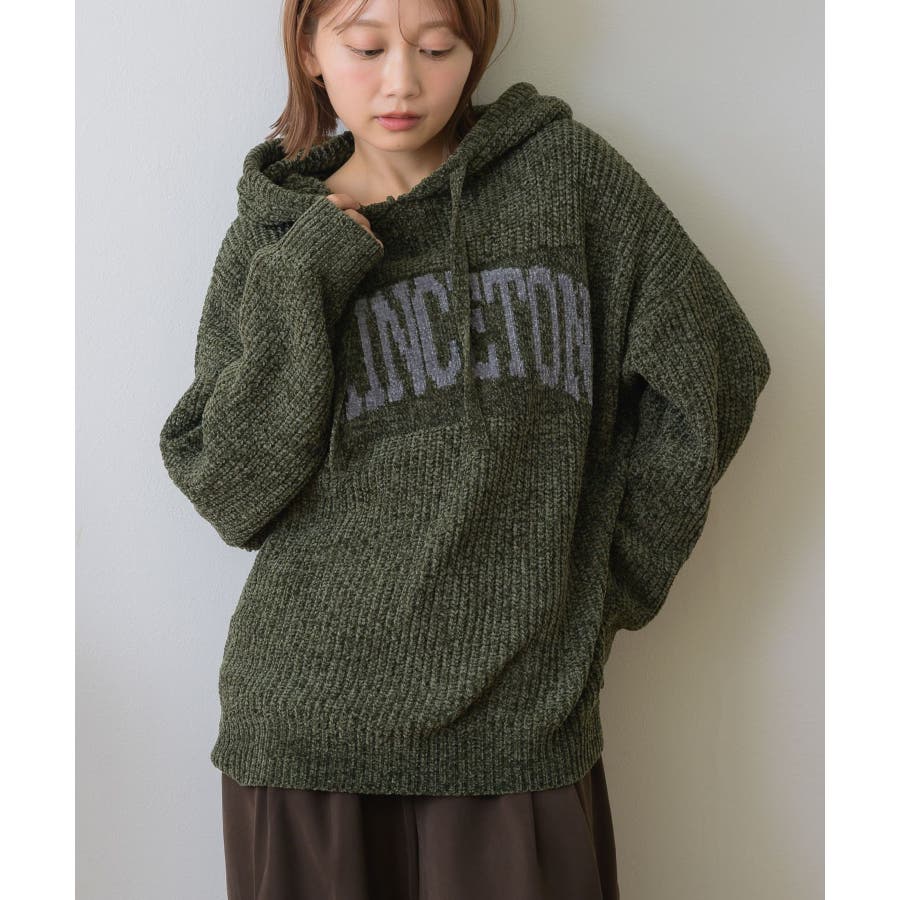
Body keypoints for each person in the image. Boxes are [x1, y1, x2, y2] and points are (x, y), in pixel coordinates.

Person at [158, 0, 772, 896]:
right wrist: (311, 273)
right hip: (306, 736)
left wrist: (605, 585)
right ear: (310, 51)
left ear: (474, 45)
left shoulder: (567, 180)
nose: (402, 81)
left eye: (437, 47)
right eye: (366, 47)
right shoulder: (275, 238)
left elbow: (716, 367)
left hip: (519, 730)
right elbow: (230, 489)